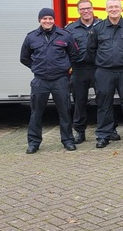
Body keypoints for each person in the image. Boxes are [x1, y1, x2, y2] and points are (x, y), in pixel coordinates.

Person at [20, 8, 79, 154]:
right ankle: (33, 143)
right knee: (36, 113)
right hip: (40, 81)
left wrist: (65, 68)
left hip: (60, 80)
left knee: (65, 112)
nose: (47, 21)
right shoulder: (31, 37)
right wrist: (36, 67)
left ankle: (68, 140)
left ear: (54, 20)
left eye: (50, 18)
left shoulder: (65, 35)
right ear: (39, 20)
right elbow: (24, 58)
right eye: (44, 18)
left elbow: (74, 55)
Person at [89, 0, 123, 148]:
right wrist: (103, 62)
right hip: (104, 72)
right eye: (111, 7)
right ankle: (103, 135)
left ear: (121, 9)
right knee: (103, 104)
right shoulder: (98, 28)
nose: (113, 9)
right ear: (106, 9)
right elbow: (91, 49)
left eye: (116, 7)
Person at [64, 0, 100, 144]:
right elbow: (64, 49)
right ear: (78, 11)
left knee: (104, 101)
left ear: (92, 9)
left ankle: (109, 129)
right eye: (82, 9)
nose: (86, 11)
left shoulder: (102, 25)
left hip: (98, 68)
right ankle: (80, 132)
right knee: (79, 102)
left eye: (88, 8)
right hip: (79, 70)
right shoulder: (70, 29)